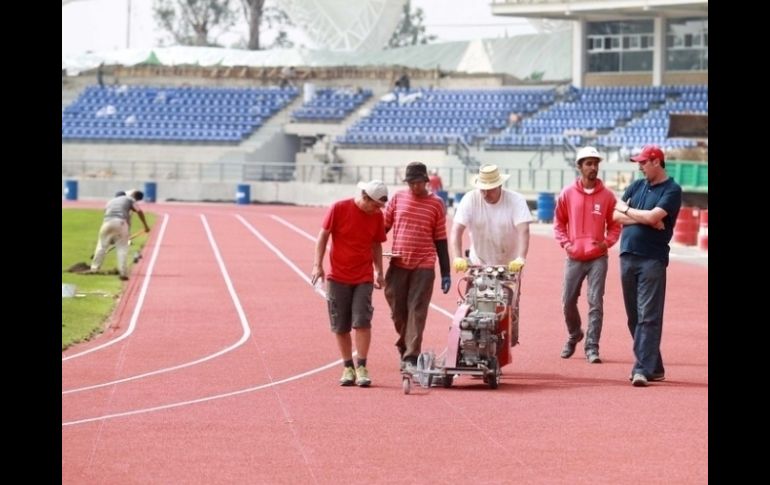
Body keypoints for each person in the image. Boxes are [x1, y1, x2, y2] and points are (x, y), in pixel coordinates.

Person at [612, 144, 682, 387]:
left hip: (652, 259)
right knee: (634, 317)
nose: (639, 167)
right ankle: (655, 366)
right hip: (627, 255)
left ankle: (641, 368)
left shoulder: (672, 190)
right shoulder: (636, 185)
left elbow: (650, 216)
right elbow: (614, 215)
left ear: (656, 162)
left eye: (643, 162)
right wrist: (646, 217)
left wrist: (630, 211)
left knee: (648, 317)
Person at [311, 180, 388, 387]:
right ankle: (348, 367)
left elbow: (376, 244)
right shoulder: (339, 208)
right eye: (375, 205)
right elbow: (323, 236)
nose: (377, 210)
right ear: (365, 197)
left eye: (380, 207)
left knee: (362, 321)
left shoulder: (377, 216)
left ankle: (362, 366)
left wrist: (379, 270)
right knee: (340, 325)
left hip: (363, 277)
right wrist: (318, 265)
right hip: (338, 276)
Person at [450, 164, 533, 346]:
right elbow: (456, 231)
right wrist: (457, 257)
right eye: (482, 190)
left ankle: (506, 338)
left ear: (499, 186)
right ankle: (470, 345)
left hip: (508, 265)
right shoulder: (470, 199)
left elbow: (524, 230)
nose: (485, 194)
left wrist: (521, 258)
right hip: (478, 261)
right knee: (470, 305)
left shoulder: (515, 201)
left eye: (489, 190)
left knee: (506, 308)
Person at [553, 146, 622, 363]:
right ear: (579, 166)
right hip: (574, 257)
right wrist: (567, 245)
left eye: (596, 163)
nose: (593, 167)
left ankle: (592, 347)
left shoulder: (608, 196)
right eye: (588, 163)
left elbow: (615, 225)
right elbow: (558, 224)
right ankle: (575, 333)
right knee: (567, 301)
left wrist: (606, 244)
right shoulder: (567, 194)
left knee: (595, 302)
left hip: (597, 258)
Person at [384, 162, 451, 372]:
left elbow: (440, 239)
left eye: (418, 182)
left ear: (425, 181)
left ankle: (412, 356)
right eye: (411, 183)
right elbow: (382, 228)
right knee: (397, 310)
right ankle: (404, 344)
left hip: (424, 263)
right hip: (398, 262)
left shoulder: (436, 204)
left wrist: (446, 272)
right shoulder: (397, 198)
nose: (414, 187)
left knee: (417, 310)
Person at [90, 190, 151, 280]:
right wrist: (145, 226)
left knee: (101, 247)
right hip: (120, 222)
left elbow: (106, 214)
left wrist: (111, 238)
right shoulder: (130, 199)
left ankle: (94, 269)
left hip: (106, 223)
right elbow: (139, 211)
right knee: (122, 249)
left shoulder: (110, 201)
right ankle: (123, 272)